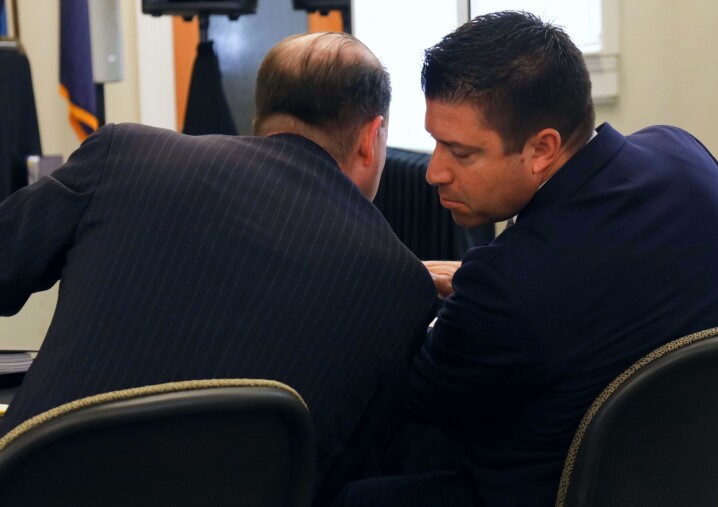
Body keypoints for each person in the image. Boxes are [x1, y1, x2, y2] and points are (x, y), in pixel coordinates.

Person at [0, 32, 437, 503]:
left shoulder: (124, 155)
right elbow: (349, 464)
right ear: (373, 139)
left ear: (261, 114)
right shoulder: (399, 286)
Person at [334, 11, 718, 507]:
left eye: (460, 152)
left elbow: (414, 396)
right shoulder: (685, 157)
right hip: (698, 478)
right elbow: (593, 285)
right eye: (435, 142)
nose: (435, 172)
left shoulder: (508, 286)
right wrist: (471, 282)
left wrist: (400, 291)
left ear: (542, 149)